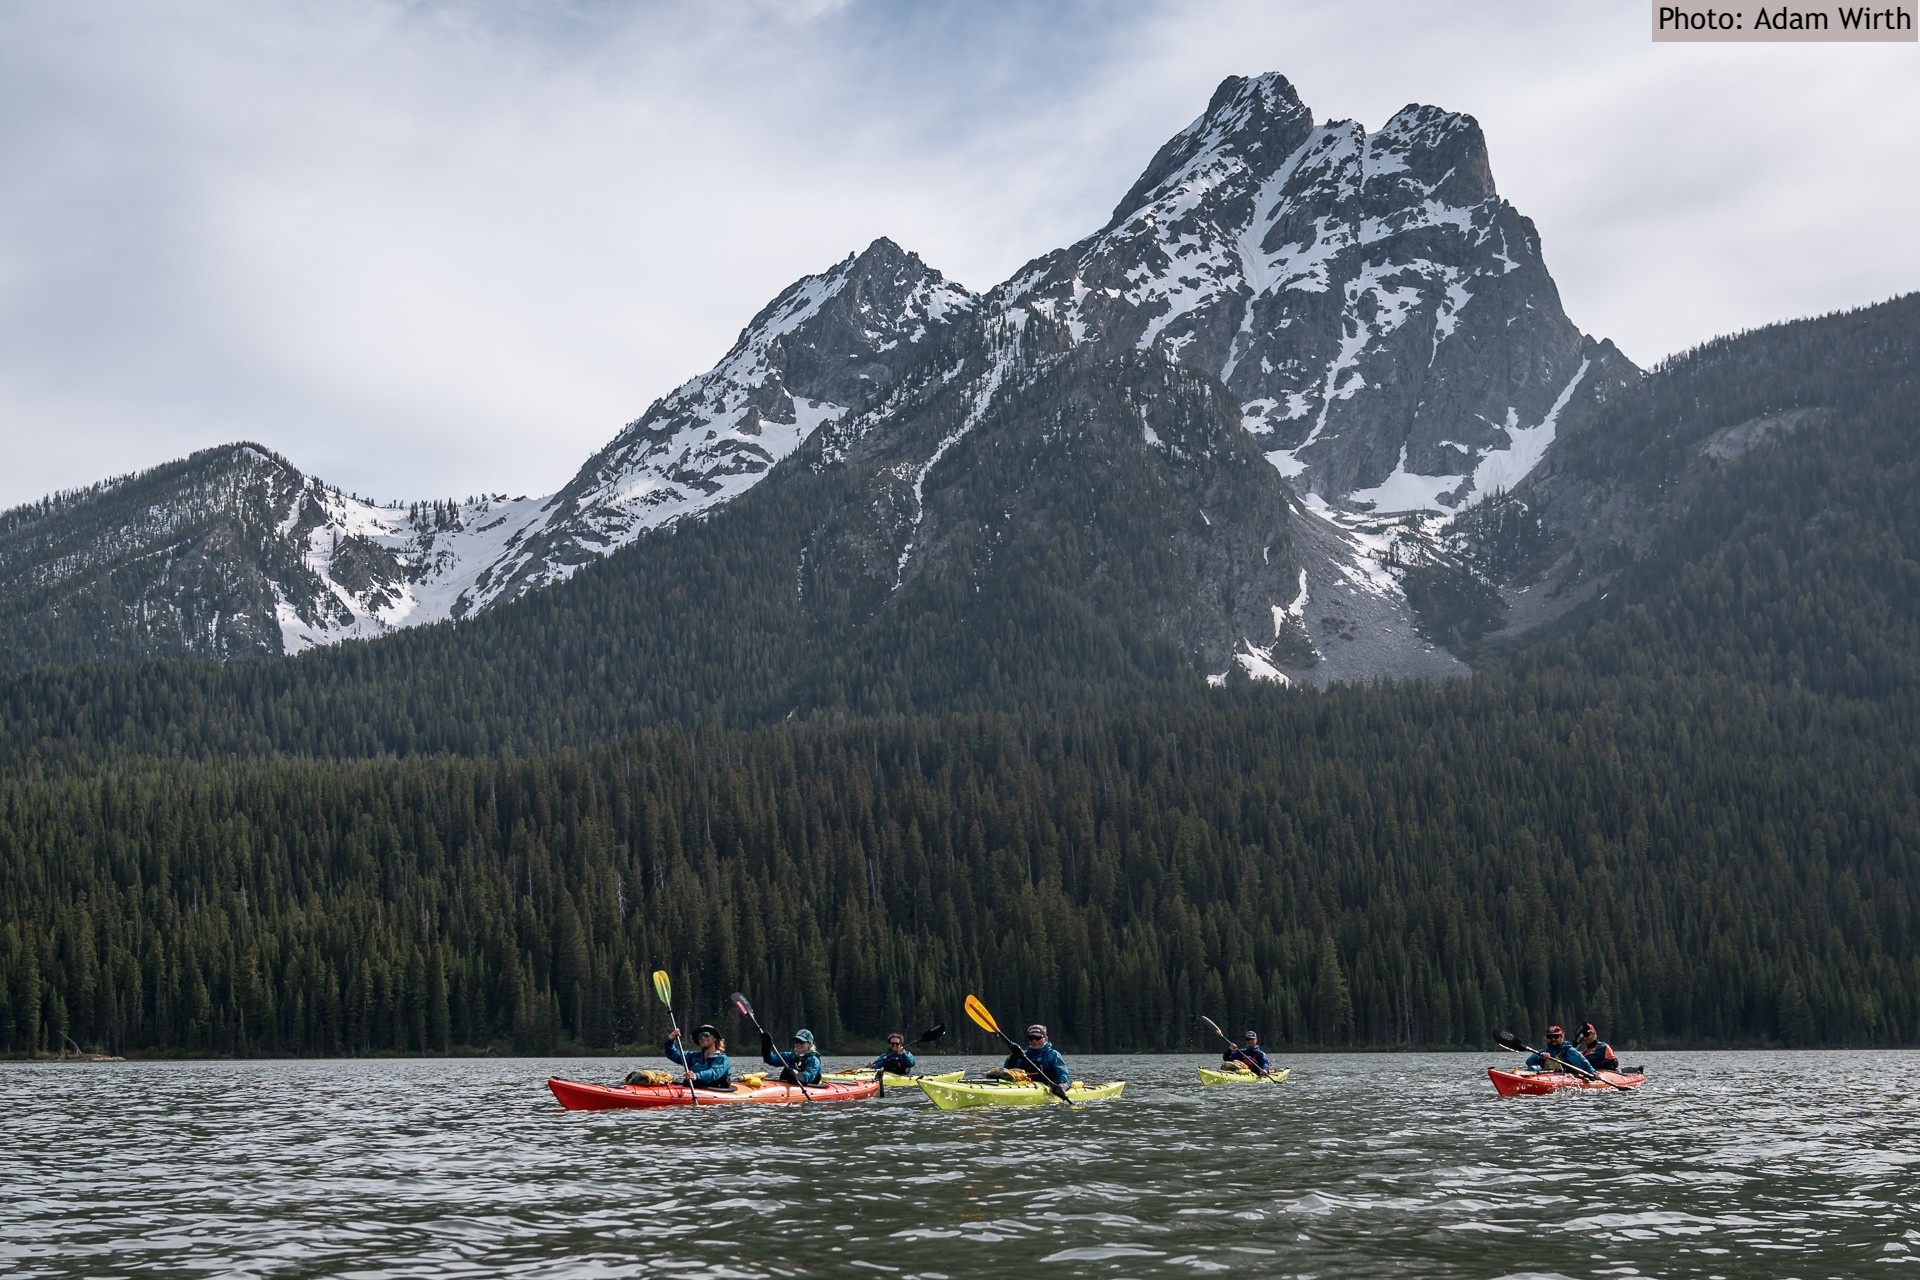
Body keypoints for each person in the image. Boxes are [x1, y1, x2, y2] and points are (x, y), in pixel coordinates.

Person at [988, 1024, 1070, 1089]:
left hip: (1048, 1087)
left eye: (1037, 1037)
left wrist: (1062, 1086)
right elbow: (1008, 1071)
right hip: (1026, 1086)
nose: (1034, 1041)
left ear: (1045, 1038)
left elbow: (1062, 1074)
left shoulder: (1053, 1055)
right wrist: (1013, 1056)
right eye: (1031, 1038)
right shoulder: (1023, 1054)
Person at [663, 1023, 731, 1087]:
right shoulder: (693, 1056)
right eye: (700, 1036)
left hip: (715, 1091)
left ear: (714, 1038)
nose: (703, 1038)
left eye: (706, 1034)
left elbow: (714, 1073)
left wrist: (696, 1076)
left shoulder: (722, 1059)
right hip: (693, 1090)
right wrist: (670, 1041)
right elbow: (673, 1054)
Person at [1525, 1025, 1594, 1074]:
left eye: (1556, 1036)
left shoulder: (1569, 1050)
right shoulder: (1543, 1051)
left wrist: (1593, 1073)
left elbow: (1584, 1064)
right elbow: (1528, 1062)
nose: (1553, 1039)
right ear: (1546, 1038)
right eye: (1550, 1037)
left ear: (1562, 1036)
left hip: (1566, 1076)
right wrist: (1540, 1057)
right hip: (1547, 1076)